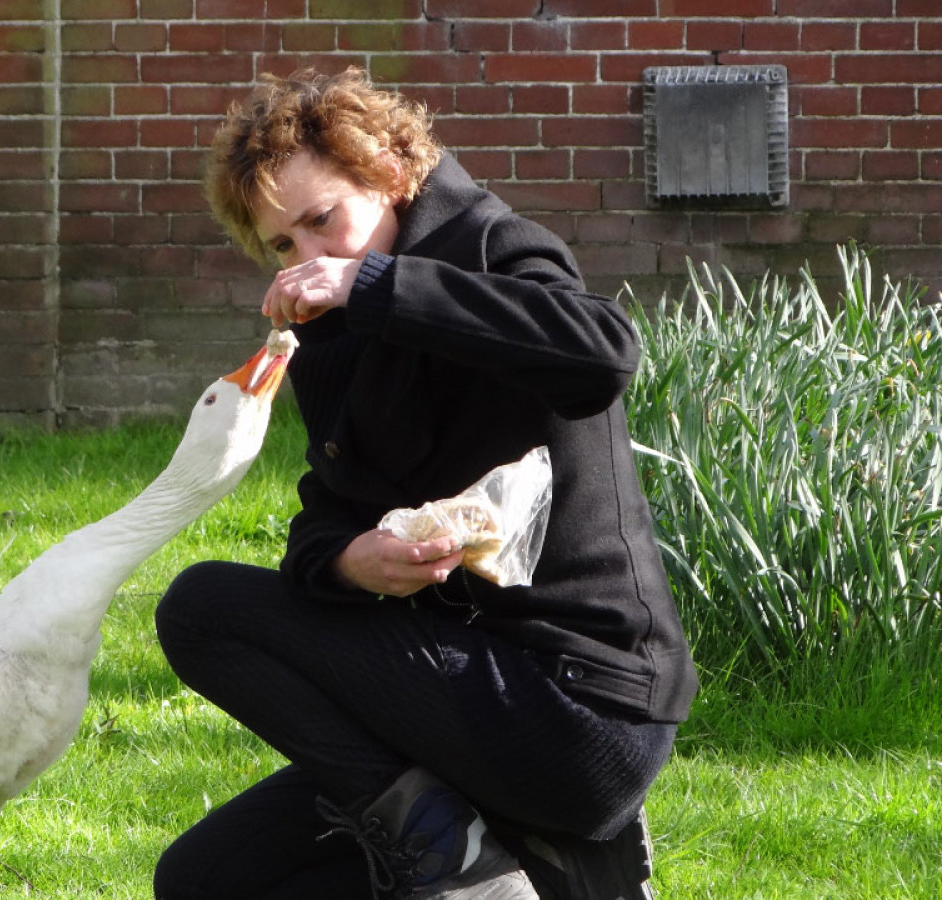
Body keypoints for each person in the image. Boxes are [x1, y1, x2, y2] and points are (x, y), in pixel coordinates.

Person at [152, 67, 698, 900]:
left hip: (582, 709)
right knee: (204, 879)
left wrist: (370, 285)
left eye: (322, 220)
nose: (308, 261)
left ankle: (466, 862)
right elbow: (322, 526)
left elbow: (602, 353)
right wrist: (351, 563)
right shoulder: (332, 337)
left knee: (200, 607)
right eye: (283, 245)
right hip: (457, 707)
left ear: (392, 175)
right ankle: (538, 865)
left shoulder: (490, 247)